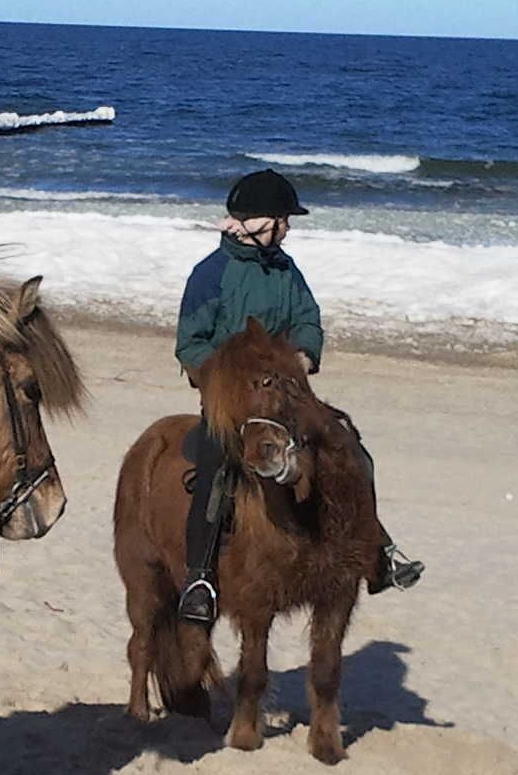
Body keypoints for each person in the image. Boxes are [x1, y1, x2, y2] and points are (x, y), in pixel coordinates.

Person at [171, 167, 423, 625]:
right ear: (253, 222)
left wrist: (305, 353)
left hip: (287, 396)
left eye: (286, 221)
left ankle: (377, 550)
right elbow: (191, 344)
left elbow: (308, 318)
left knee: (349, 447)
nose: (287, 228)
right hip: (232, 403)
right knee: (214, 472)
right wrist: (228, 382)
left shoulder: (287, 270)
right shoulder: (210, 274)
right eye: (282, 219)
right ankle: (201, 579)